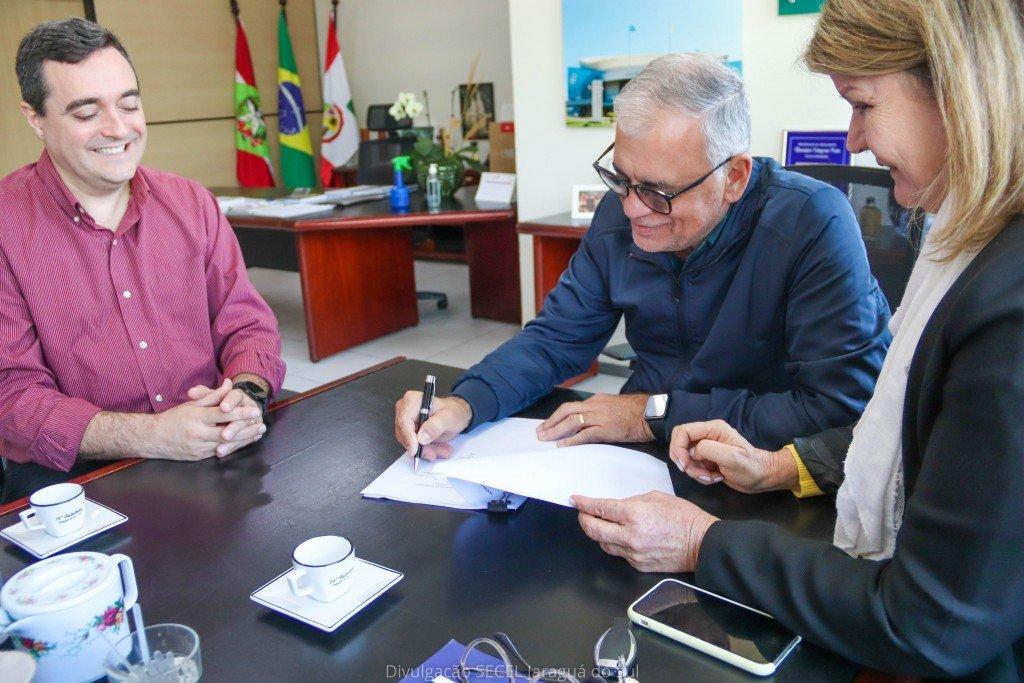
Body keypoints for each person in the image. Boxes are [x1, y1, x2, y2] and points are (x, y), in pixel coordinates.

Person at [573, 0, 1024, 677]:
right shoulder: (968, 249)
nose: (852, 142)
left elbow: (927, 621)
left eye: (863, 105)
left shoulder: (1004, 305)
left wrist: (705, 543)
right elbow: (923, 438)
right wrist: (787, 466)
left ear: (960, 89)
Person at [395, 53, 890, 460]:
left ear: (734, 177)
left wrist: (650, 414)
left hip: (756, 460)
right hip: (640, 448)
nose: (631, 207)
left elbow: (836, 409)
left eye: (657, 190)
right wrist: (466, 401)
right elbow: (557, 340)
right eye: (621, 178)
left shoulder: (811, 222)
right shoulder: (621, 211)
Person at [0, 19, 285, 502]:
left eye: (129, 104)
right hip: (79, 473)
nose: (119, 128)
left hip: (215, 439)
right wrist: (151, 436)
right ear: (35, 118)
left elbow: (247, 323)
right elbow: (12, 395)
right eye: (87, 113)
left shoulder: (191, 202)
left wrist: (247, 394)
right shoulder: (7, 226)